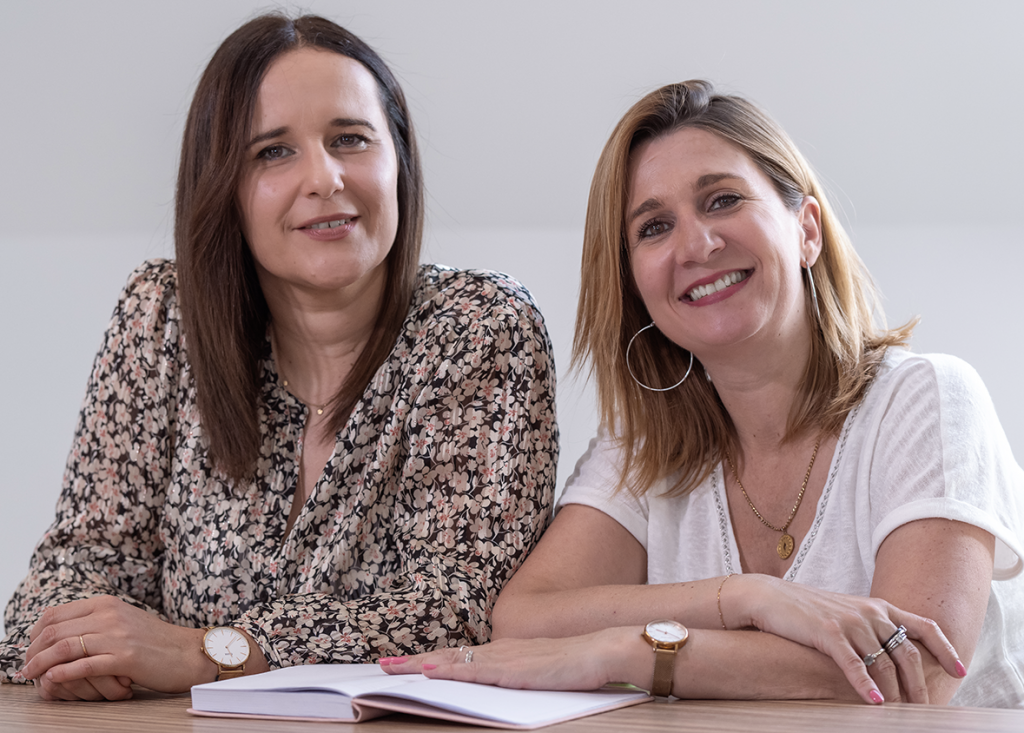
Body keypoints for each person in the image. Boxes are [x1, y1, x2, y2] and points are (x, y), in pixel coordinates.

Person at [380, 80, 1024, 707]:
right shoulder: (641, 449)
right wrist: (745, 597)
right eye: (654, 227)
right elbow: (524, 619)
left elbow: (920, 675)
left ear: (806, 230)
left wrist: (629, 653)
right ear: (637, 286)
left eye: (721, 200)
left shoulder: (928, 398)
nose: (696, 244)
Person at [0, 13, 558, 701]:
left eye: (350, 140)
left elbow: (458, 604)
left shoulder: (478, 325)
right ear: (222, 186)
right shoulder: (161, 314)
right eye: (272, 152)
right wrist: (83, 649)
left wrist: (214, 652)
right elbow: (73, 572)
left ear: (399, 162)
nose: (324, 178)